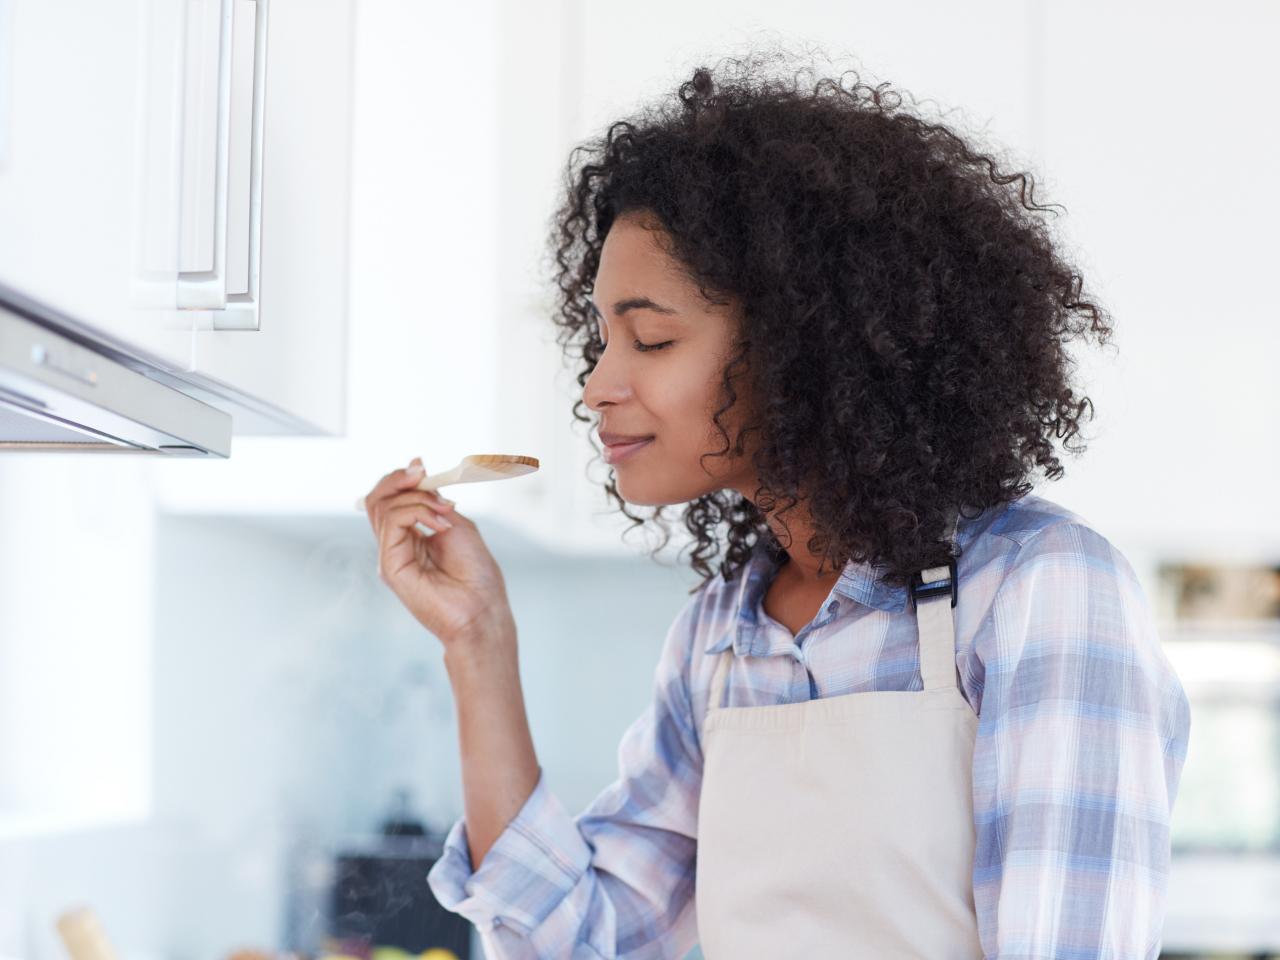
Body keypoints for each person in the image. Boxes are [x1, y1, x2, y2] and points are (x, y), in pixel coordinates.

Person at [361, 50, 1191, 959]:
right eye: (600, 339)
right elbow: (587, 939)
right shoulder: (722, 635)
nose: (599, 382)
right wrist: (477, 643)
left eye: (650, 337)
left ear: (803, 345)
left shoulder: (1040, 591)